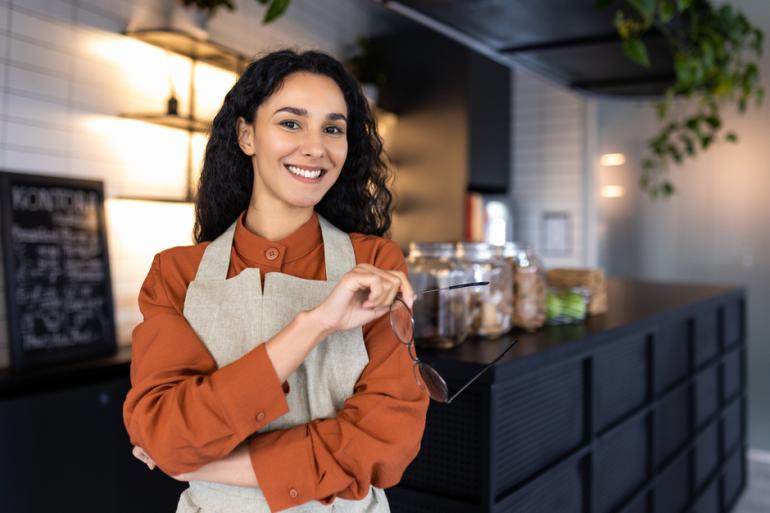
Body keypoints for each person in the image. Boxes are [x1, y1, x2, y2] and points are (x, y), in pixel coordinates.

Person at [122, 49, 430, 513]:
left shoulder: (374, 263)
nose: (315, 146)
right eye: (291, 123)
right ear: (247, 134)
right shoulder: (176, 273)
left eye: (333, 128)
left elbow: (385, 443)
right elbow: (165, 429)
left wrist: (202, 465)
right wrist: (314, 325)